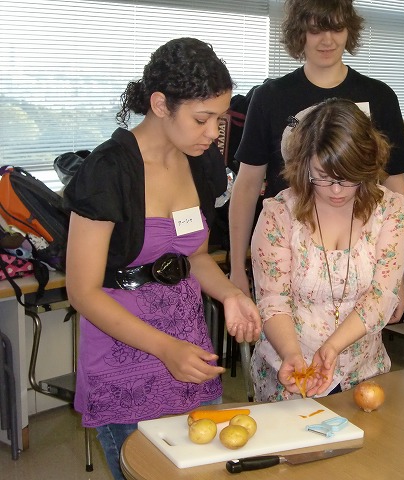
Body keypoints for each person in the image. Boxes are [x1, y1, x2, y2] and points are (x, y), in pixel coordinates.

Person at [63, 38, 261, 480]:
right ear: (160, 104)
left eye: (220, 120)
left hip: (189, 351)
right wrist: (163, 348)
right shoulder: (108, 171)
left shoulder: (202, 163)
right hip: (125, 359)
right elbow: (82, 291)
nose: (214, 133)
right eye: (202, 119)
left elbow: (196, 256)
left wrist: (230, 294)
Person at [229, 0, 404, 323]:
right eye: (315, 29)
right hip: (290, 263)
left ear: (349, 30)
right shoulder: (270, 96)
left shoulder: (379, 96)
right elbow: (246, 189)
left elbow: (395, 186)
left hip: (362, 265)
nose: (326, 40)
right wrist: (235, 269)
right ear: (298, 32)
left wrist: (395, 277)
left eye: (336, 28)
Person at [250, 98, 404, 402]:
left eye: (347, 177)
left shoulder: (390, 210)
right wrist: (291, 354)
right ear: (304, 164)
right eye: (322, 176)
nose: (336, 191)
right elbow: (273, 299)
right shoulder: (279, 214)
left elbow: (382, 294)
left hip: (361, 373)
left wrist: (333, 347)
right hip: (290, 372)